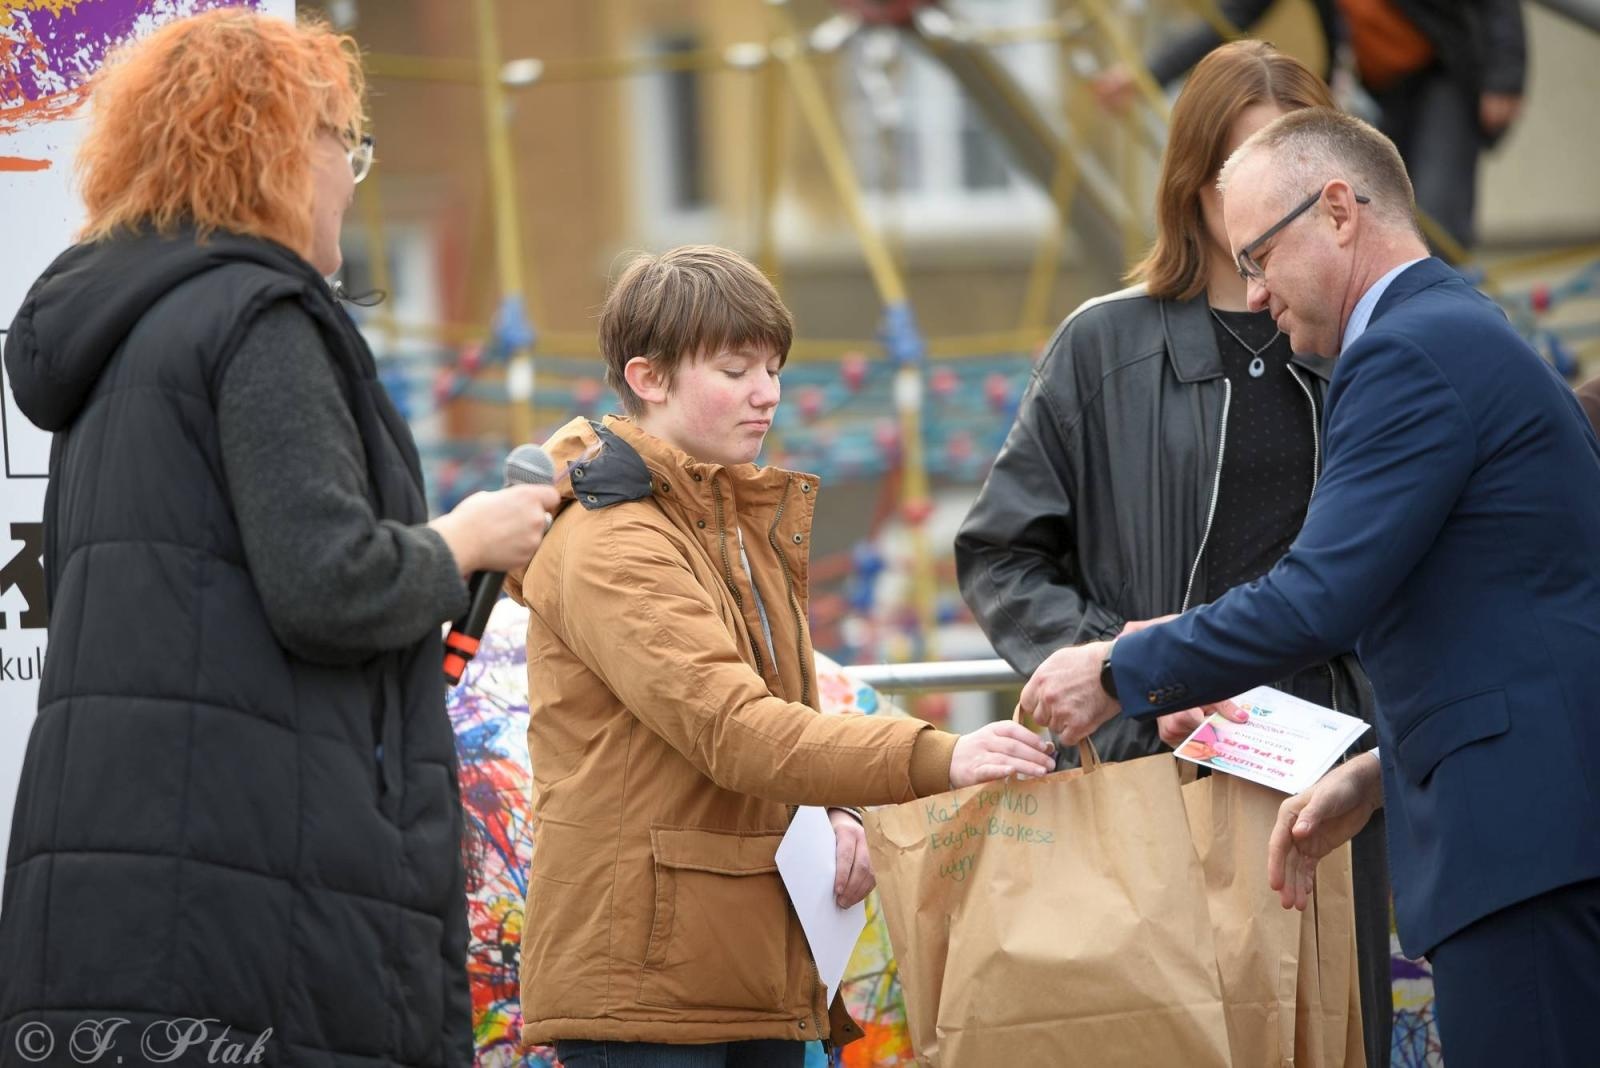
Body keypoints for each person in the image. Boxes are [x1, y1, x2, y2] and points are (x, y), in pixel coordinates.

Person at [0, 12, 557, 1066]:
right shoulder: (259, 322)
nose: (350, 177)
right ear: (270, 149)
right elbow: (328, 586)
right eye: (339, 144)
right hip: (251, 901)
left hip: (112, 902)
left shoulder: (120, 339)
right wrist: (464, 541)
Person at [1021, 106, 1600, 1068]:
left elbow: (1317, 596)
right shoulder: (1457, 331)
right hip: (1536, 830)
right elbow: (1515, 614)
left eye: (1258, 256)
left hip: (1524, 852)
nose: (1253, 294)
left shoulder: (1406, 352)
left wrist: (1119, 667)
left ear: (1337, 210)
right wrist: (1378, 781)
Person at [504, 246, 1055, 1068]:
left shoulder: (730, 512)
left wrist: (842, 810)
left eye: (773, 367)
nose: (768, 393)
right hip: (647, 983)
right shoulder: (614, 540)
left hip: (745, 951)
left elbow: (787, 719)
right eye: (735, 369)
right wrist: (943, 755)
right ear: (647, 378)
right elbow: (736, 730)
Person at [956, 41, 1392, 1067]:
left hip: (1337, 774)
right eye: (1245, 172)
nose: (1267, 209)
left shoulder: (1374, 348)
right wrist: (1126, 678)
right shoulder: (1104, 346)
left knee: (1336, 1042)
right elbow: (1002, 556)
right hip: (1157, 775)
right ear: (1197, 185)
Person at [1094, 0, 1526, 251]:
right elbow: (1231, 14)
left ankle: (1443, 320)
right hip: (1379, 89)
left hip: (1442, 73)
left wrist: (1505, 75)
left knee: (1437, 211)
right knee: (1372, 205)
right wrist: (1145, 74)